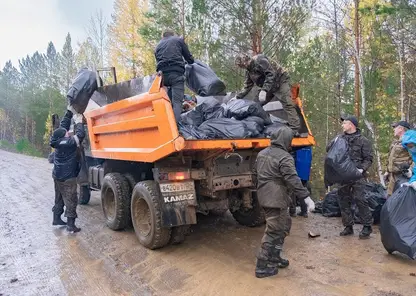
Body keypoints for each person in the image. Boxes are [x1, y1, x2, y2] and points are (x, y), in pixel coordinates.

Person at [253, 126, 314, 278]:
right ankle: (261, 265)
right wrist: (306, 197)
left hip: (266, 196)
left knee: (285, 224)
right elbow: (292, 179)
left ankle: (275, 256)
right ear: (286, 140)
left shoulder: (262, 153)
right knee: (273, 231)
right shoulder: (284, 157)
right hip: (276, 198)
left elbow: (255, 175)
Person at [234, 53, 300, 134]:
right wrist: (237, 97)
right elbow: (247, 85)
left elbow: (271, 74)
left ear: (245, 61)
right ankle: (263, 123)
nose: (242, 67)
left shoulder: (260, 61)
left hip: (280, 81)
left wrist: (264, 90)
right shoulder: (249, 71)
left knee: (287, 103)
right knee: (255, 105)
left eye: (242, 65)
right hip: (268, 86)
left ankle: (294, 129)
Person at [333, 115, 373, 239]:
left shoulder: (363, 141)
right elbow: (331, 152)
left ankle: (367, 226)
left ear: (351, 125)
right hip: (343, 175)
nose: (342, 125)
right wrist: (332, 143)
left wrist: (361, 169)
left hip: (357, 175)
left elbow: (368, 158)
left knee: (360, 199)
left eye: (345, 123)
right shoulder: (340, 139)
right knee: (343, 199)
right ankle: (348, 226)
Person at [50, 107, 85, 233]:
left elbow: (62, 128)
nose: (67, 132)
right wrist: (79, 121)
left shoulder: (56, 141)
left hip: (57, 176)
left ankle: (56, 218)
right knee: (71, 200)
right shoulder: (70, 142)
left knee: (59, 198)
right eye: (66, 133)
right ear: (64, 136)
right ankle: (71, 225)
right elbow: (81, 135)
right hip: (68, 177)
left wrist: (69, 113)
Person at [155, 29, 194, 123]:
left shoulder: (158, 46)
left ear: (163, 36)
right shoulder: (178, 40)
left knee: (168, 103)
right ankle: (175, 130)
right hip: (176, 74)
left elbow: (158, 61)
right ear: (173, 34)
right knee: (177, 103)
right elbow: (189, 58)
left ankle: (166, 125)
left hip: (162, 78)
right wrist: (191, 61)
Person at [384, 121, 413, 196]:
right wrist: (387, 171)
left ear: (401, 128)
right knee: (390, 200)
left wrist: (410, 170)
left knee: (401, 201)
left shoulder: (409, 141)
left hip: (403, 177)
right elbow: (391, 158)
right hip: (392, 177)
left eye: (395, 127)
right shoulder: (396, 143)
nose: (394, 129)